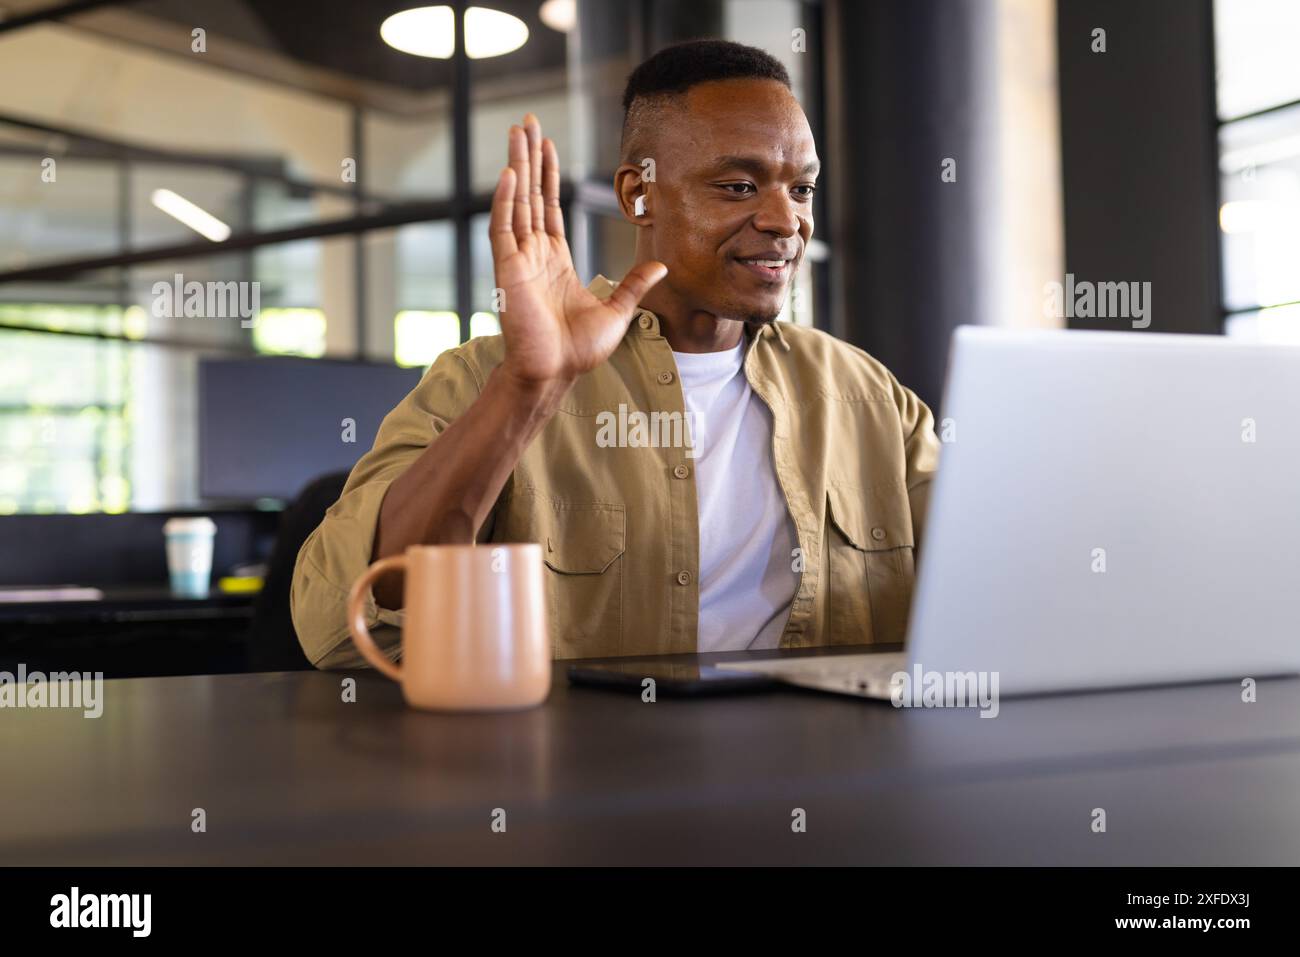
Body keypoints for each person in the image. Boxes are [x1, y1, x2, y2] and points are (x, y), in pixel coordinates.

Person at [291, 39, 940, 669]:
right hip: (584, 774)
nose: (785, 220)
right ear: (639, 193)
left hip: (821, 770)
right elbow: (333, 629)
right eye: (740, 186)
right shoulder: (486, 378)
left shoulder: (871, 398)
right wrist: (527, 389)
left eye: (801, 189)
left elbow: (996, 579)